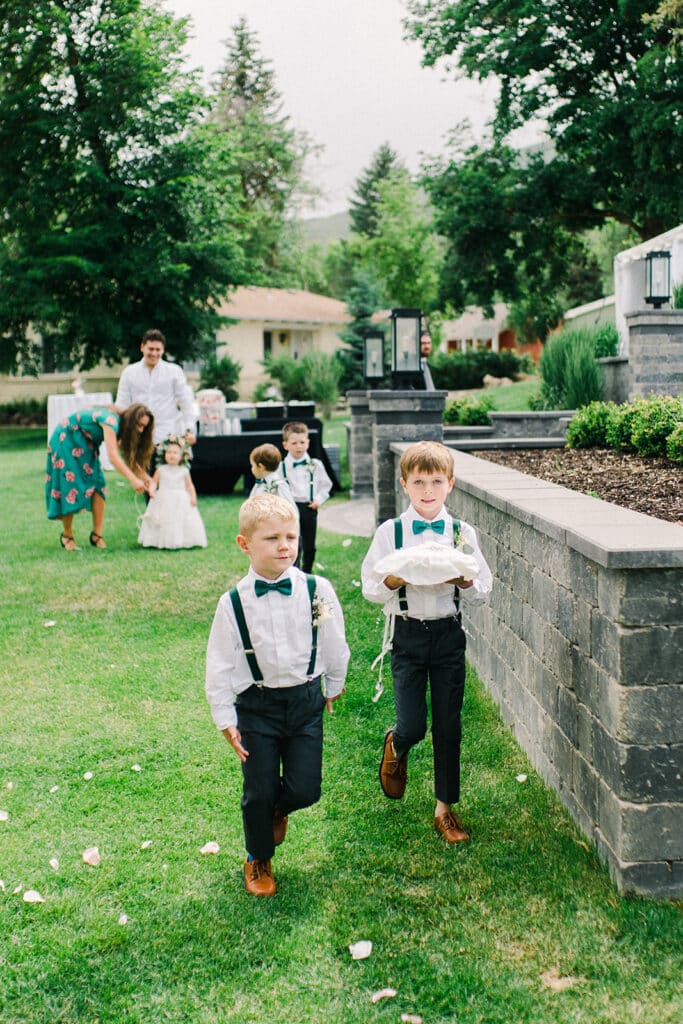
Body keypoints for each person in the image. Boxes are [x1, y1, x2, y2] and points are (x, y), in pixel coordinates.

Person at [206, 493, 349, 896]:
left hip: (306, 701)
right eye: (271, 538)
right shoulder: (232, 603)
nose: (284, 545)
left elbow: (335, 641)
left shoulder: (317, 589)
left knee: (307, 787)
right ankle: (258, 857)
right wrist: (225, 719)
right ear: (244, 544)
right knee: (258, 789)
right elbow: (218, 664)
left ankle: (280, 808)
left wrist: (333, 684)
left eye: (291, 536)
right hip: (256, 706)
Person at [361, 440, 492, 845]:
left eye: (437, 481)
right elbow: (369, 586)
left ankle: (445, 810)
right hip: (408, 634)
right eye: (420, 482)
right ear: (405, 484)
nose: (428, 490)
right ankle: (397, 742)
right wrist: (395, 579)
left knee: (449, 726)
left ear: (450, 484)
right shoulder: (392, 532)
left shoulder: (460, 532)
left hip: (449, 634)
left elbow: (483, 587)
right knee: (414, 724)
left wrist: (464, 581)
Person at [46, 403, 154, 550]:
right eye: (139, 425)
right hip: (66, 439)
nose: (140, 430)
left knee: (99, 484)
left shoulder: (122, 425)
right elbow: (113, 457)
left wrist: (145, 477)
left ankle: (97, 536)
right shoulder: (111, 422)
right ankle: (67, 536)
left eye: (144, 427)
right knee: (70, 484)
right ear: (130, 420)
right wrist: (133, 480)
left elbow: (127, 457)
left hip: (87, 443)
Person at [115, 329, 197, 447]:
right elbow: (122, 404)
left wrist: (189, 429)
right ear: (142, 347)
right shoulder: (129, 372)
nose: (154, 354)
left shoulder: (174, 371)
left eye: (158, 350)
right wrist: (120, 432)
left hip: (167, 435)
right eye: (151, 349)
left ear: (163, 350)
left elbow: (186, 402)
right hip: (138, 435)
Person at [279, 421, 332, 573]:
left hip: (309, 508)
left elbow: (326, 485)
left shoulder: (315, 465)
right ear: (285, 445)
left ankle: (307, 571)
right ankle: (293, 570)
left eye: (302, 442)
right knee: (293, 542)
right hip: (290, 510)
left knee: (309, 544)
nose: (299, 446)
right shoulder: (281, 467)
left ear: (308, 443)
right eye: (294, 443)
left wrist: (318, 500)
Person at [138, 435, 207, 549]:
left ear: (181, 456)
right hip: (164, 497)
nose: (172, 455)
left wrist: (193, 497)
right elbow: (154, 482)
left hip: (180, 499)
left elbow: (189, 486)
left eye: (175, 453)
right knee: (164, 519)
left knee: (179, 520)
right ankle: (159, 540)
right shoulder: (161, 469)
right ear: (164, 455)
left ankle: (181, 539)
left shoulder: (184, 471)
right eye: (169, 452)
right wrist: (151, 490)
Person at [248, 443, 297, 511]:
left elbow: (291, 510)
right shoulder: (259, 484)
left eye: (253, 466)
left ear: (261, 467)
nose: (252, 469)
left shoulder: (279, 486)